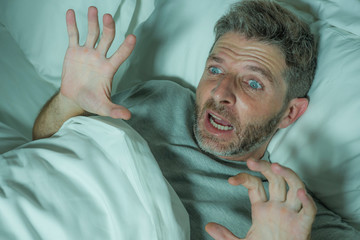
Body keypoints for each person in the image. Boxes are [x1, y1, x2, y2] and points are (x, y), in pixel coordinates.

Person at [33, 0, 359, 239]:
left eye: (253, 82)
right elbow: (46, 149)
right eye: (215, 69)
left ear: (290, 113)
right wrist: (68, 102)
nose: (221, 92)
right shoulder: (159, 97)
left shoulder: (290, 214)